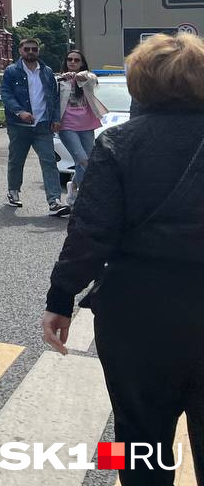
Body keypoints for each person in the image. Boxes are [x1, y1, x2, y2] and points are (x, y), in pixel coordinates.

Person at [42, 33, 204, 484]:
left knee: (135, 435)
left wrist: (60, 299)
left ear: (139, 84)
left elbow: (89, 235)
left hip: (136, 315)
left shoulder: (117, 145)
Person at [1, 37, 68, 217]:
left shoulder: (46, 72)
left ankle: (54, 201)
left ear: (38, 52)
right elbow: (6, 94)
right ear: (20, 51)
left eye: (34, 49)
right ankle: (13, 190)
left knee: (49, 162)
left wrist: (55, 119)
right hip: (19, 125)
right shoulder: (12, 71)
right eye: (27, 49)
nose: (31, 52)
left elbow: (54, 97)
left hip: (43, 125)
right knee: (17, 160)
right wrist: (19, 111)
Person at [55, 49, 108, 205]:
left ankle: (74, 189)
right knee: (82, 159)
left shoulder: (86, 78)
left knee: (85, 160)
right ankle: (88, 196)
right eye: (69, 59)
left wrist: (79, 75)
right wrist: (62, 78)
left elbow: (92, 78)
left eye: (76, 60)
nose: (72, 62)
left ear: (82, 63)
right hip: (66, 125)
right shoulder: (59, 80)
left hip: (86, 124)